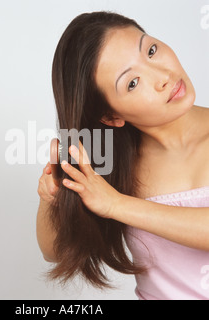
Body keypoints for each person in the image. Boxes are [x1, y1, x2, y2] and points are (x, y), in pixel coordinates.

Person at [36, 11, 209, 300]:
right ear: (111, 115)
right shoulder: (110, 165)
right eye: (132, 82)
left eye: (151, 50)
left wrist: (116, 205)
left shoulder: (111, 196)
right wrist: (51, 199)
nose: (163, 77)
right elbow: (54, 252)